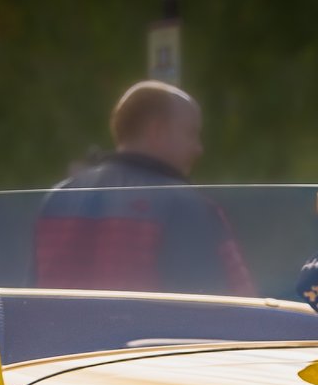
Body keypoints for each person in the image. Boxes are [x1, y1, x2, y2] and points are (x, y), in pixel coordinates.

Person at [33, 81, 251, 295]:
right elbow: (230, 306)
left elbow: (31, 299)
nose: (198, 149)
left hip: (65, 331)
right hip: (150, 332)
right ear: (156, 131)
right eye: (191, 133)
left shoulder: (57, 198)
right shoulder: (188, 205)